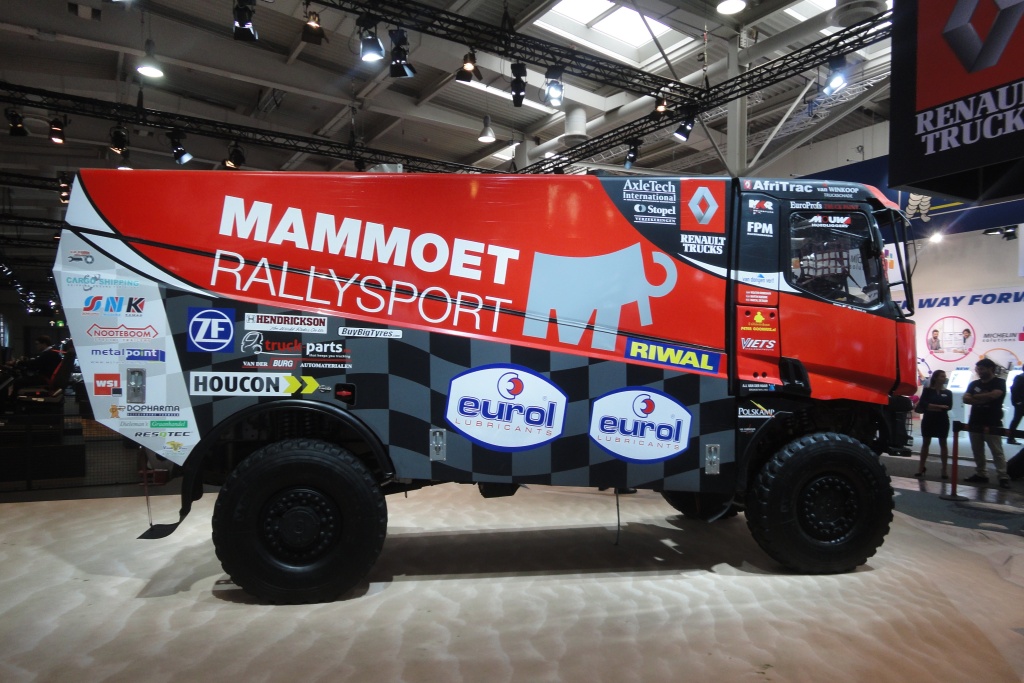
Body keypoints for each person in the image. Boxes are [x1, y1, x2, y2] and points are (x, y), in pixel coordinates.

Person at [962, 358, 1011, 488]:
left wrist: (975, 397)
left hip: (993, 421)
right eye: (978, 369)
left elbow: (995, 395)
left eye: (982, 369)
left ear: (991, 369)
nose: (979, 371)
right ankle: (981, 474)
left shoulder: (999, 382)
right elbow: (965, 399)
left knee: (997, 451)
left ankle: (1003, 476)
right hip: (975, 421)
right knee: (977, 450)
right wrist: (984, 398)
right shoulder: (974, 384)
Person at [915, 370, 951, 479]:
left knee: (943, 443)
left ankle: (944, 469)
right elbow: (923, 404)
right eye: (942, 376)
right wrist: (939, 407)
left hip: (942, 420)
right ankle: (921, 467)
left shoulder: (948, 392)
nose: (944, 378)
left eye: (944, 376)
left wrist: (931, 406)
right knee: (925, 443)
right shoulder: (927, 391)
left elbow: (949, 406)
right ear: (935, 378)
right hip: (929, 419)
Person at [1008, 373, 1024, 445]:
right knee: (1016, 420)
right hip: (1021, 403)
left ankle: (1011, 438)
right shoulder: (1020, 377)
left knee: (1016, 420)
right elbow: (1014, 389)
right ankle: (1010, 438)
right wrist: (1018, 401)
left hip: (1020, 402)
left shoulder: (1020, 377)